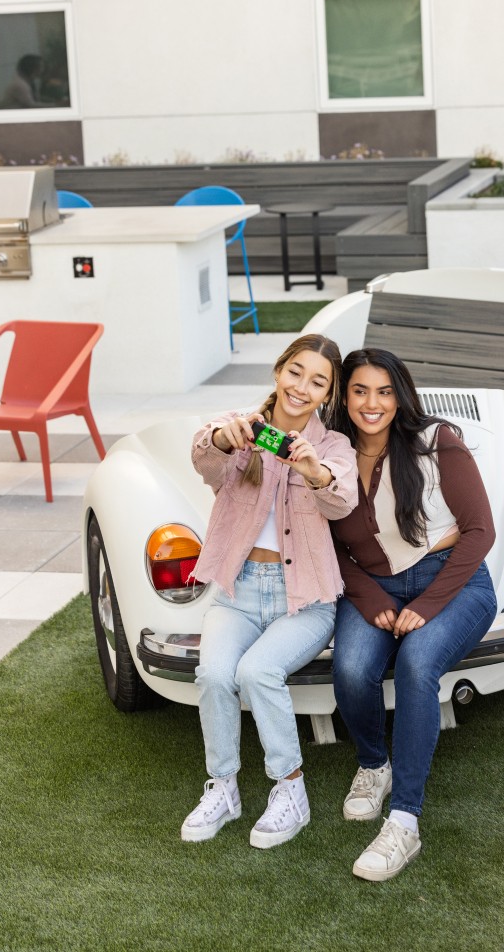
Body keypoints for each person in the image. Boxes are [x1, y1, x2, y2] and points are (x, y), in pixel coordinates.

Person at [182, 334, 358, 850]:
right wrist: (220, 439)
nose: (302, 388)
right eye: (296, 373)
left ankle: (290, 790)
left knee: (256, 672)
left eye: (318, 382)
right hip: (237, 593)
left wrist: (314, 472)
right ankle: (224, 787)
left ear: (328, 394)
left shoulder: (331, 447)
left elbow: (342, 501)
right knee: (214, 674)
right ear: (279, 371)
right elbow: (204, 461)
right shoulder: (240, 428)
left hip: (304, 599)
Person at [330, 348, 497, 882]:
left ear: (400, 394)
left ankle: (404, 820)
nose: (371, 403)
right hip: (374, 583)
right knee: (353, 669)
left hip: (453, 580)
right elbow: (326, 545)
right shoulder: (329, 455)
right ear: (344, 396)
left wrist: (425, 605)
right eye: (359, 391)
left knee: (417, 665)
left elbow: (479, 533)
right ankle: (373, 765)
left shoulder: (435, 441)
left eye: (383, 391)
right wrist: (370, 596)